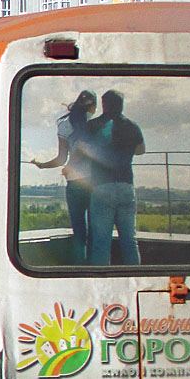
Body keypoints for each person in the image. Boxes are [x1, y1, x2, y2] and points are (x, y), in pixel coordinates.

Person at [31, 90, 97, 263]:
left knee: (79, 234)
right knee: (96, 232)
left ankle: (80, 269)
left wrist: (42, 165)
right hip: (95, 183)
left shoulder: (65, 125)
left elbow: (61, 159)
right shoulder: (96, 124)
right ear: (93, 106)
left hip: (75, 183)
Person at [86, 90, 145, 266]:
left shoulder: (94, 125)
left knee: (102, 241)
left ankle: (101, 281)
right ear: (122, 104)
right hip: (126, 186)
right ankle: (135, 277)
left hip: (102, 186)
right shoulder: (132, 126)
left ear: (104, 104)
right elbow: (141, 150)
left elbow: (83, 150)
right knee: (129, 239)